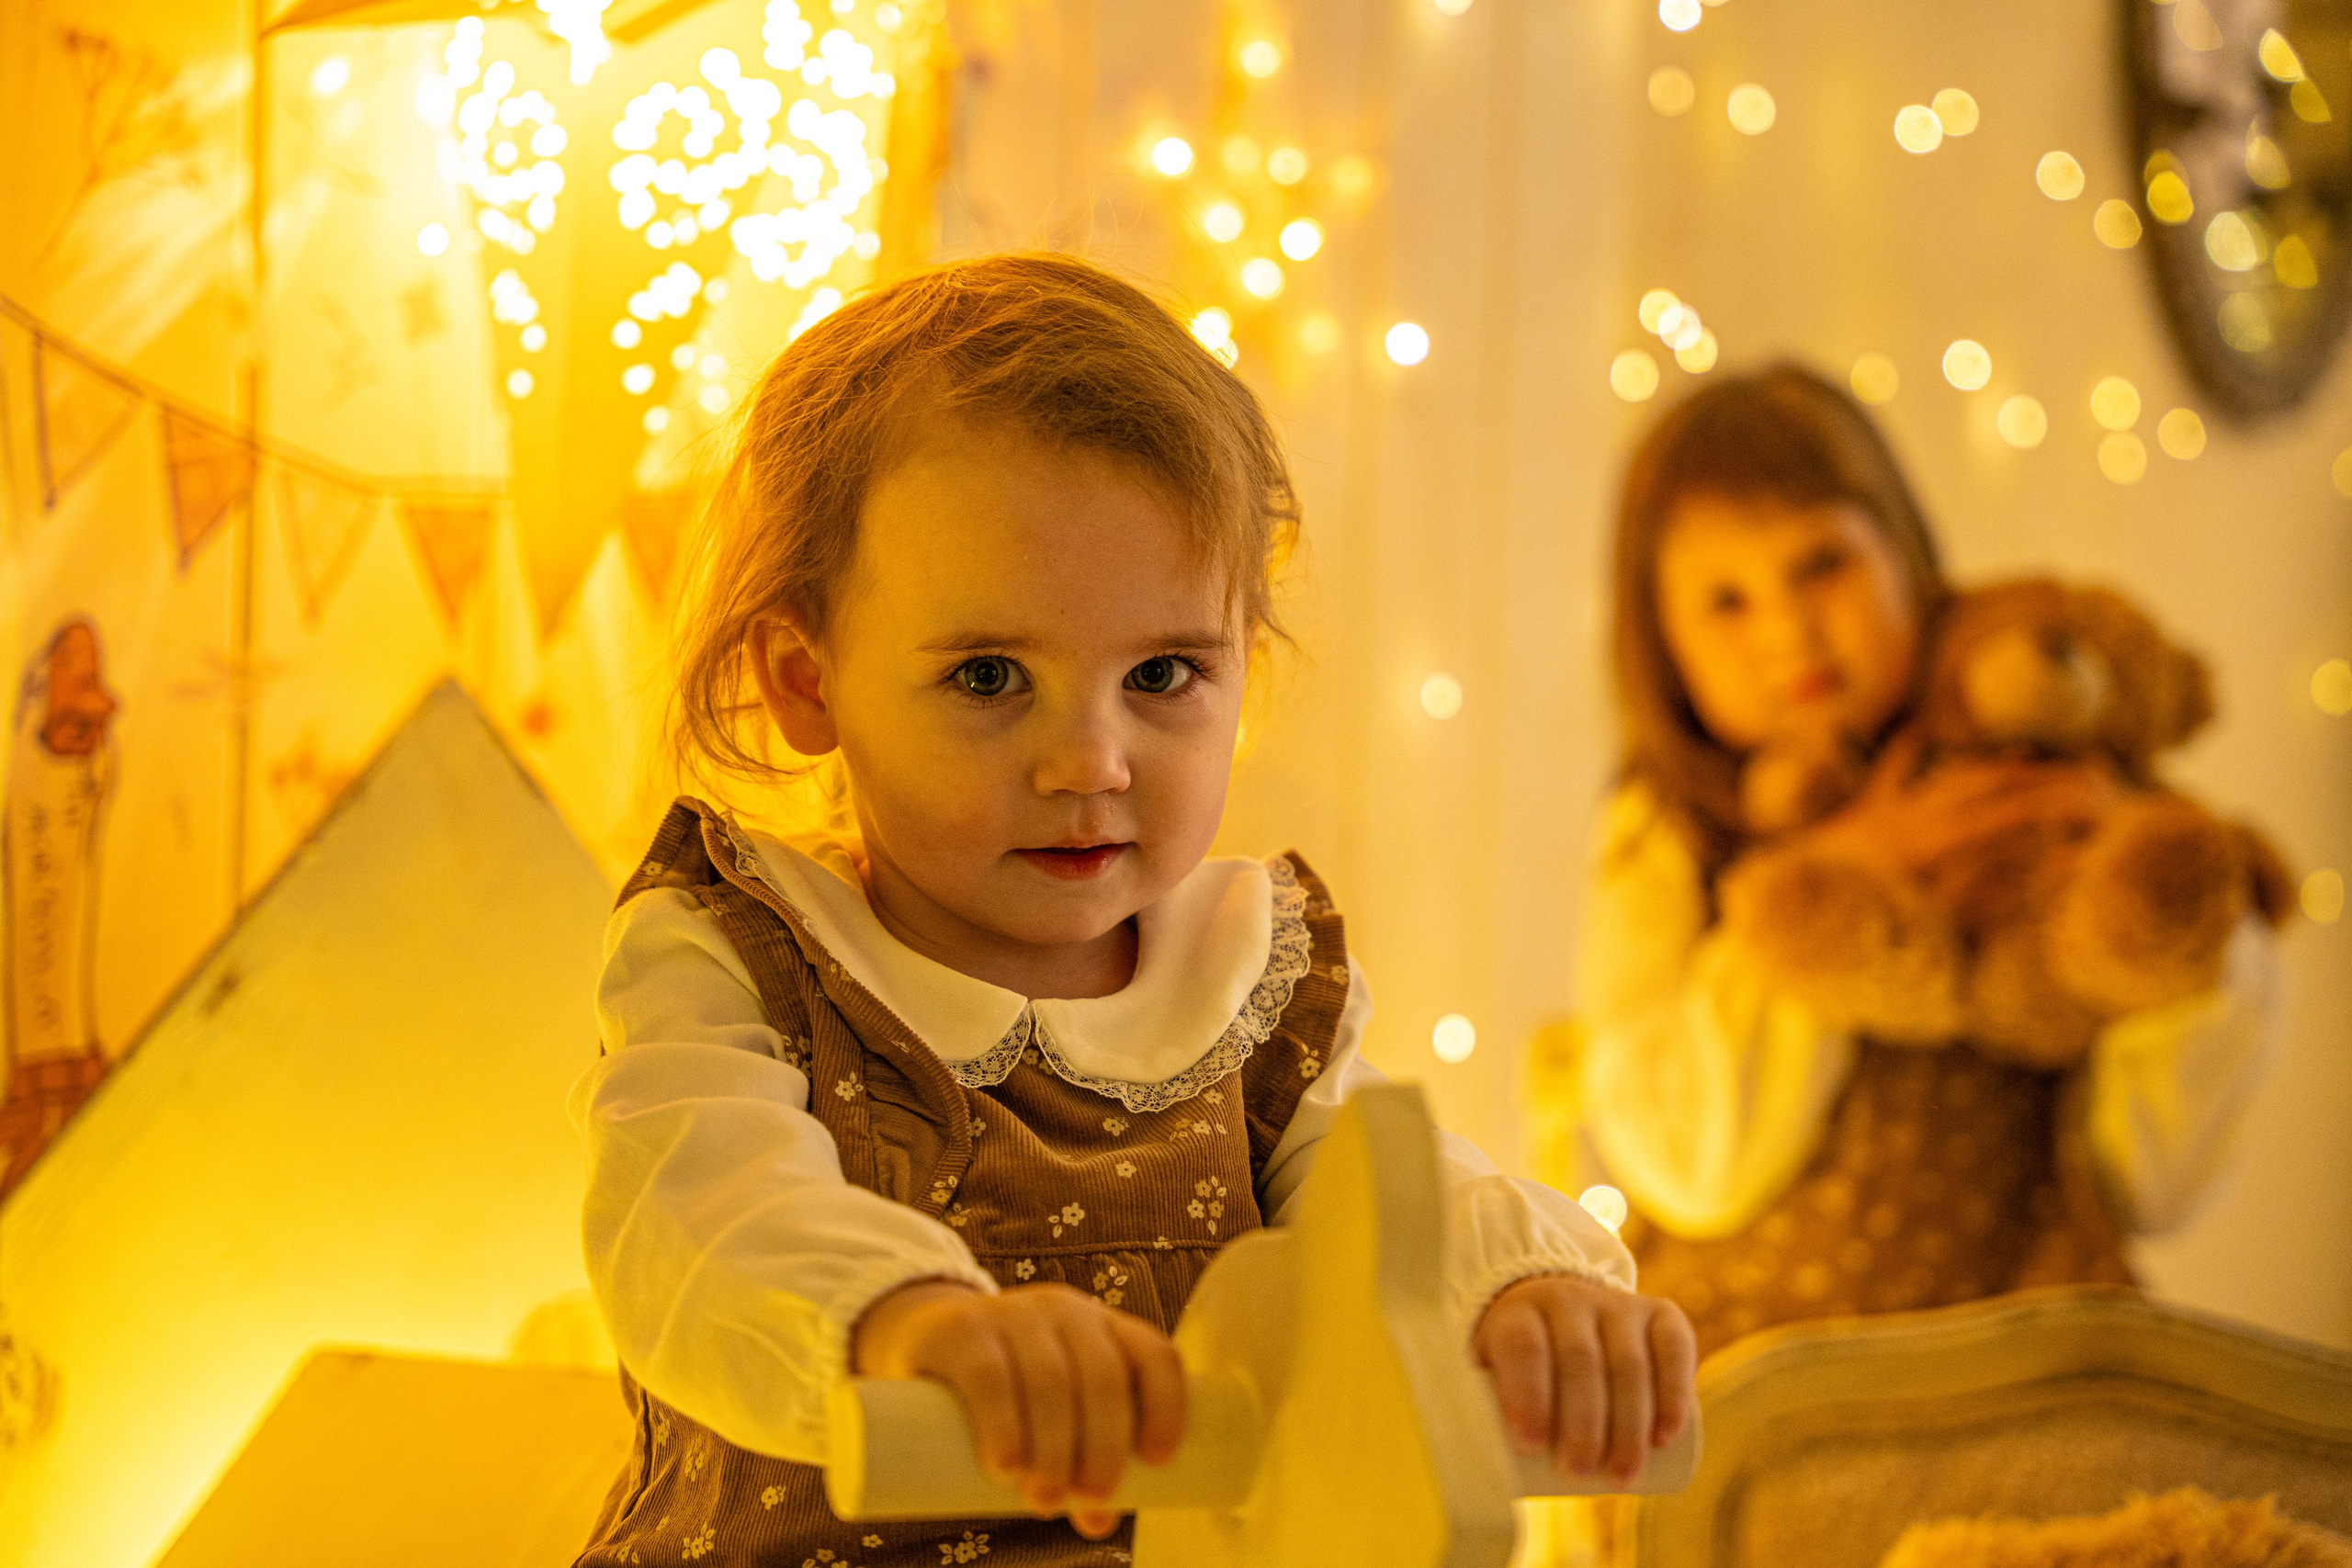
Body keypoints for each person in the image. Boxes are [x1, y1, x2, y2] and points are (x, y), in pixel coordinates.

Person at [571, 254, 1696, 1568]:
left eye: (1163, 671)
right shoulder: (742, 958)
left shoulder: (1247, 984)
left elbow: (1379, 1202)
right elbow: (697, 1211)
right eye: (990, 675)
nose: (1091, 761)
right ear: (808, 679)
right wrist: (907, 1316)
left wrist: (1521, 1286)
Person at [1554, 365, 2278, 1359]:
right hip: (1762, 1368)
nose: (1789, 630)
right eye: (1725, 603)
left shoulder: (2027, 759)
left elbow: (2147, 1187)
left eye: (1823, 566)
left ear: (1904, 554)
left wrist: (2149, 903)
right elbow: (1686, 1163)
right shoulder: (1665, 827)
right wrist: (1841, 878)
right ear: (1661, 647)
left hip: (2025, 1342)